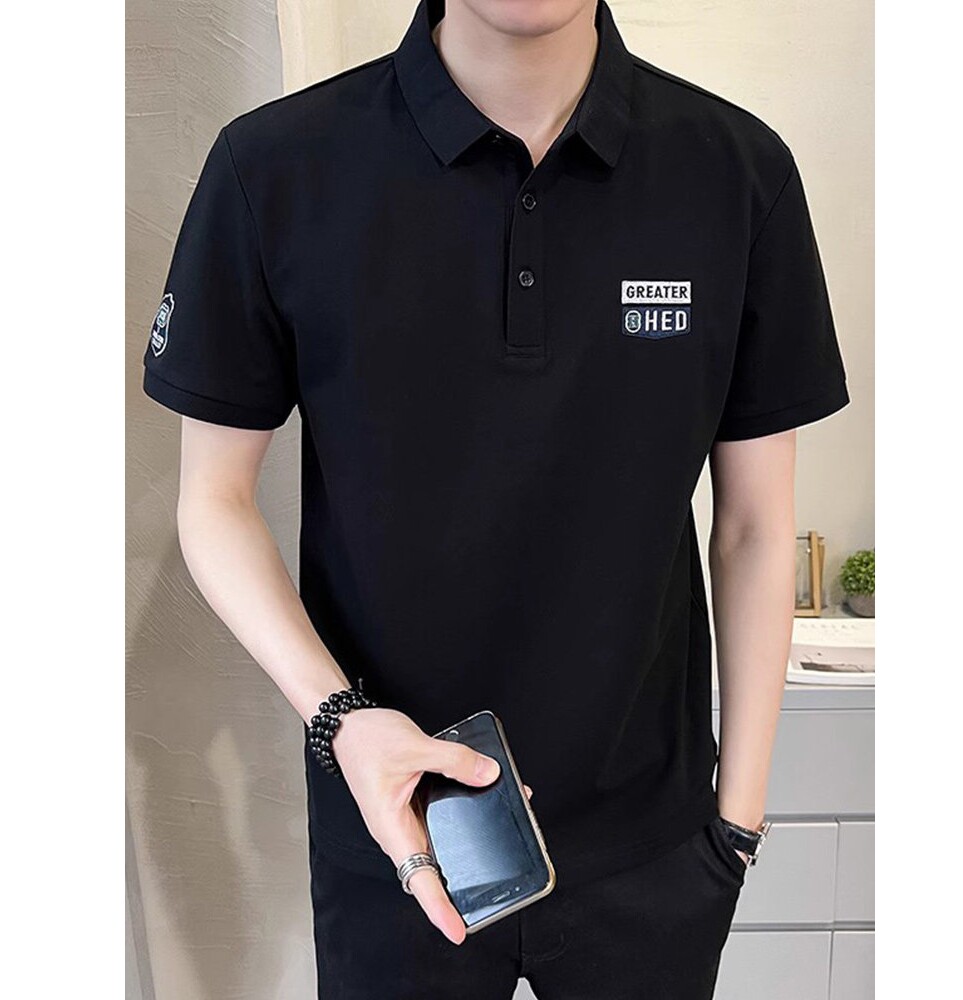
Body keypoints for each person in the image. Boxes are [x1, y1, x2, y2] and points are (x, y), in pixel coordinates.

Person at [140, 0, 850, 996]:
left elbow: (755, 527)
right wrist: (341, 718)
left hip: (653, 845)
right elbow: (212, 501)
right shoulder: (274, 167)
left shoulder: (736, 173)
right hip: (398, 827)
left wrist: (737, 823)